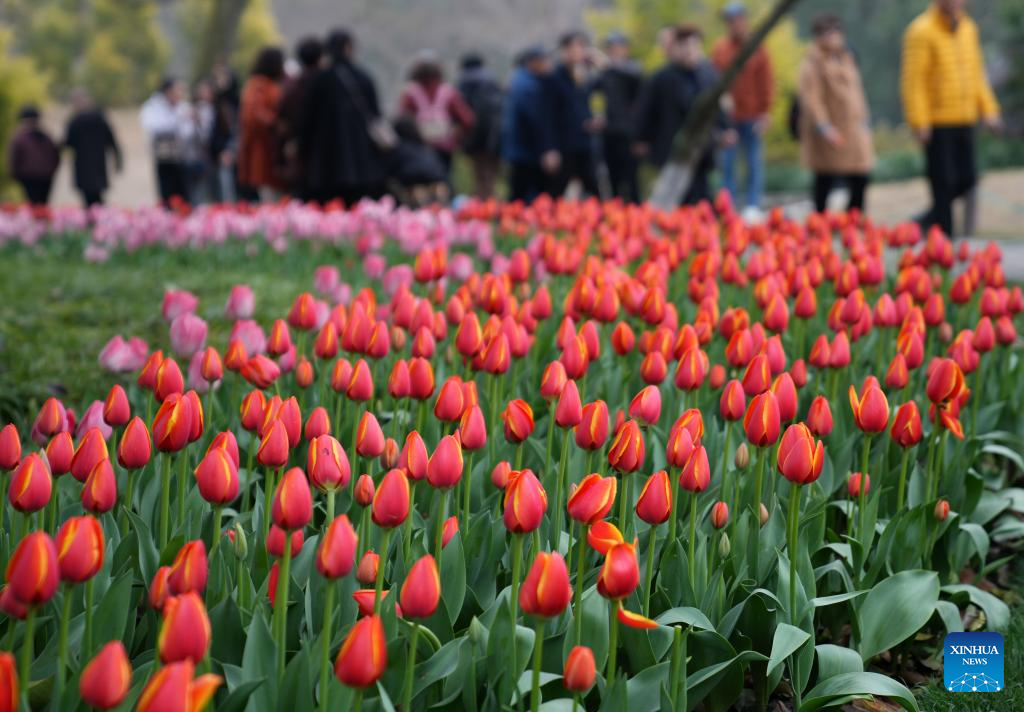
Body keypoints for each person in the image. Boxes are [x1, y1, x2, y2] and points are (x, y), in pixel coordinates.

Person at [901, 0, 1001, 237]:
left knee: (968, 179)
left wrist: (989, 110)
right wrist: (919, 121)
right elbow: (914, 82)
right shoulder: (921, 31)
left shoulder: (968, 28)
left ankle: (925, 221)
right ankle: (943, 244)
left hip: (965, 117)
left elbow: (977, 73)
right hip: (937, 121)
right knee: (942, 184)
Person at [633, 25, 731, 206]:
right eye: (684, 46)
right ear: (675, 48)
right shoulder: (661, 78)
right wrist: (641, 139)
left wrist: (725, 129)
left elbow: (718, 107)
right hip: (671, 149)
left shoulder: (708, 74)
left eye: (694, 46)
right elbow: (645, 111)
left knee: (702, 198)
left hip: (702, 149)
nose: (690, 52)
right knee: (674, 201)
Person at [300, 28, 388, 205]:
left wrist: (304, 149)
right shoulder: (364, 78)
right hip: (363, 161)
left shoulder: (320, 80)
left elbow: (308, 120)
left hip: (326, 162)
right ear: (349, 48)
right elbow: (376, 115)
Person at [798, 14, 874, 214]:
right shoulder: (812, 63)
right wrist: (823, 126)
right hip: (831, 129)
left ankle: (853, 219)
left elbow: (857, 92)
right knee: (825, 177)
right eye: (828, 33)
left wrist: (865, 119)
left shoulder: (846, 57)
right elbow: (812, 98)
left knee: (860, 176)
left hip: (853, 127)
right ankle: (820, 222)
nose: (834, 37)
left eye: (836, 32)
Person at [712, 2, 773, 214]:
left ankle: (753, 206)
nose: (735, 24)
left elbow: (766, 82)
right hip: (730, 117)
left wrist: (766, 111)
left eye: (738, 19)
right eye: (730, 21)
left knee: (753, 162)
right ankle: (727, 207)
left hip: (753, 115)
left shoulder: (757, 47)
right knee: (728, 164)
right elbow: (714, 80)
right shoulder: (720, 49)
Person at [501, 44, 560, 203]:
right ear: (533, 62)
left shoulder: (520, 80)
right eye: (545, 60)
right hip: (526, 152)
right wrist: (546, 149)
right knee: (523, 198)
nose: (549, 65)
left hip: (519, 150)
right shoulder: (529, 86)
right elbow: (536, 120)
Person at [548, 31, 601, 197]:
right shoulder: (554, 77)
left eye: (581, 48)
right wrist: (550, 148)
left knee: (594, 193)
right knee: (555, 194)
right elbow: (547, 116)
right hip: (563, 145)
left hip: (584, 143)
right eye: (574, 48)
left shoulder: (583, 76)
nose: (578, 52)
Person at [593, 31, 642, 202]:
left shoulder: (632, 68)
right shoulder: (606, 74)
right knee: (612, 181)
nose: (613, 51)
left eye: (617, 48)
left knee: (631, 182)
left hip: (629, 135)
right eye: (610, 48)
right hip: (609, 133)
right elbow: (592, 91)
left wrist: (609, 65)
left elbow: (635, 77)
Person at [238, 47, 286, 201]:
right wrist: (276, 123)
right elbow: (254, 115)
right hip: (263, 152)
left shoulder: (270, 84)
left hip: (272, 152)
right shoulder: (258, 85)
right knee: (270, 198)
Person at [278, 37, 322, 198]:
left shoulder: (293, 87)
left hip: (298, 153)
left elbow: (282, 120)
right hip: (326, 155)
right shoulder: (328, 82)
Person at [62, 89, 122, 207]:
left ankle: (97, 219)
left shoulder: (74, 120)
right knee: (95, 197)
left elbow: (67, 143)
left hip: (84, 165)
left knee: (90, 198)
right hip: (97, 164)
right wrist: (118, 159)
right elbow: (112, 141)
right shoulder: (99, 117)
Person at [456, 53, 504, 199]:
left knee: (480, 177)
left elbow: (464, 114)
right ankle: (491, 208)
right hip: (496, 138)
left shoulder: (465, 83)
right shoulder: (493, 81)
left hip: (475, 138)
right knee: (491, 177)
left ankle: (482, 211)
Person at [139, 78, 190, 205]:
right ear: (168, 92)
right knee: (166, 193)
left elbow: (188, 130)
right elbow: (152, 126)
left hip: (181, 156)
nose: (180, 94)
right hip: (164, 157)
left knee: (183, 193)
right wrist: (178, 120)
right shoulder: (153, 106)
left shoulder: (182, 106)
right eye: (177, 90)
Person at [8, 106, 59, 207]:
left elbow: (55, 156)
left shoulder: (20, 138)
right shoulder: (22, 138)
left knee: (40, 205)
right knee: (37, 205)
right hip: (31, 177)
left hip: (40, 177)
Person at [210, 58, 240, 203]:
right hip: (221, 154)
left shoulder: (233, 103)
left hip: (231, 153)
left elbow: (237, 129)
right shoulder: (218, 103)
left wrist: (230, 149)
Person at [183, 80, 215, 204]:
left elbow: (208, 135)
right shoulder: (191, 108)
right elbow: (185, 134)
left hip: (208, 156)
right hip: (192, 157)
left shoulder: (215, 109)